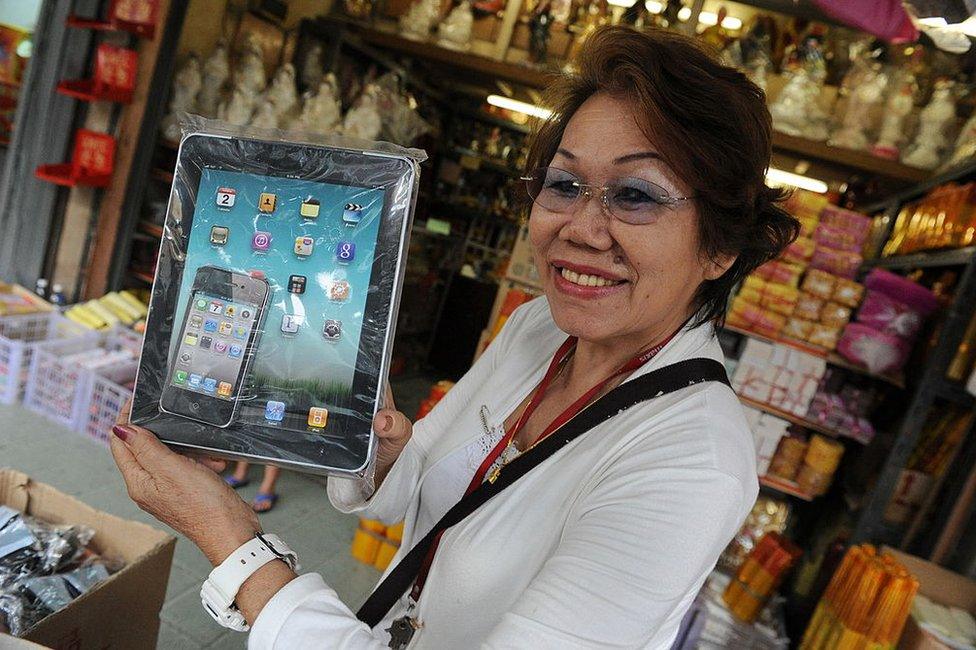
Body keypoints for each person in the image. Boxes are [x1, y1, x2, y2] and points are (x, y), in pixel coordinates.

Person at [109, 25, 797, 648]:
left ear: (721, 247)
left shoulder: (693, 461)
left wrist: (231, 541)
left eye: (637, 195)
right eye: (563, 184)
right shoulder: (538, 329)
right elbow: (424, 481)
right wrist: (357, 430)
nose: (581, 229)